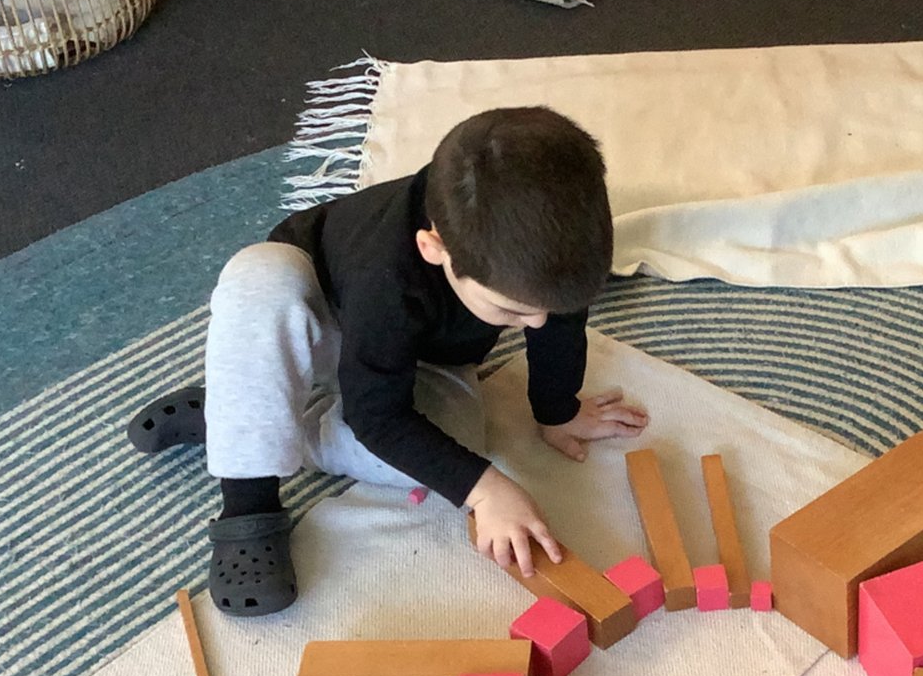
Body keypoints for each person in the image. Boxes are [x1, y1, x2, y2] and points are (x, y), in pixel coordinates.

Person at [126, 106, 648, 617]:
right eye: (511, 310)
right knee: (259, 278)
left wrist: (556, 409)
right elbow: (377, 417)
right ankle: (248, 497)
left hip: (423, 361)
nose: (535, 324)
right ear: (434, 247)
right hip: (321, 321)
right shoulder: (387, 274)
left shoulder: (546, 253)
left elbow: (551, 321)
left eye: (550, 310)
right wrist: (488, 490)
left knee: (455, 449)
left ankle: (243, 417)